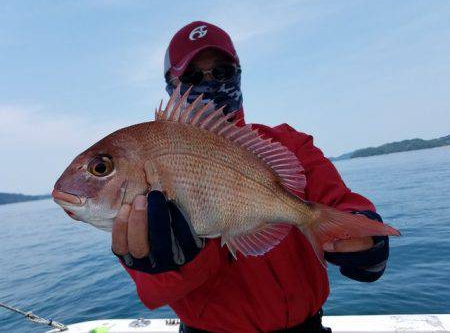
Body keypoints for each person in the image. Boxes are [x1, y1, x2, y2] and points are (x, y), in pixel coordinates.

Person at [111, 21, 390, 333]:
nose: (210, 83)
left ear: (238, 74)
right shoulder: (142, 172)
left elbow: (341, 203)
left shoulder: (287, 144)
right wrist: (170, 264)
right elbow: (154, 292)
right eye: (192, 77)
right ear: (171, 86)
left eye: (222, 72)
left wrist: (366, 238)